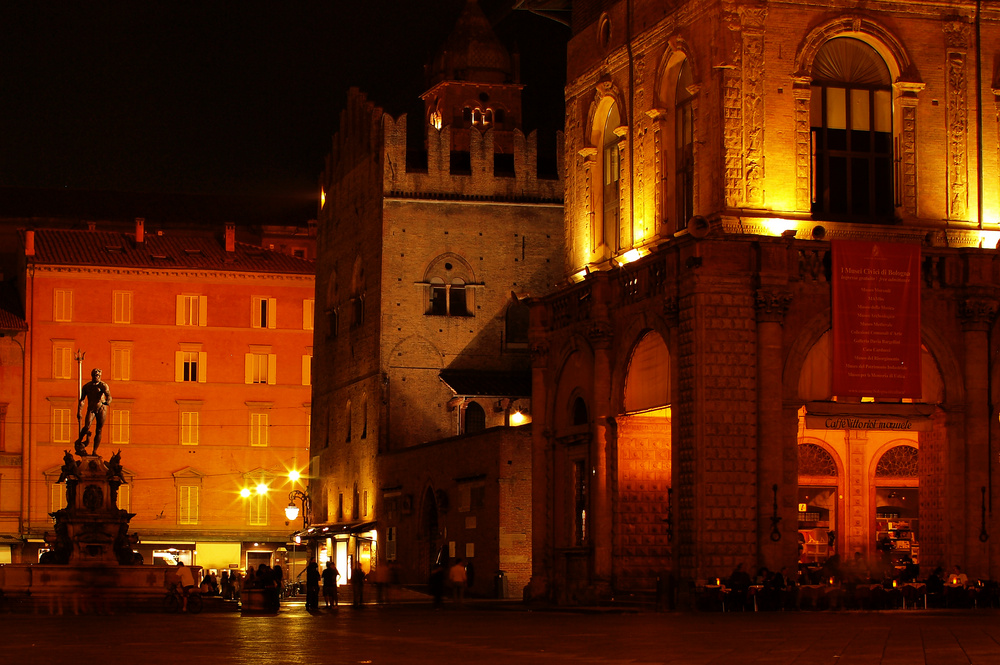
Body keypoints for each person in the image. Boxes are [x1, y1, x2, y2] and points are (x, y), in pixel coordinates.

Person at [74, 368, 112, 456]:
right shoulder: (87, 387)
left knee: (99, 429)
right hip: (91, 409)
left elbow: (108, 395)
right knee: (87, 426)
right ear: (92, 376)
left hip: (101, 408)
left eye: (98, 375)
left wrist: (108, 401)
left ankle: (94, 451)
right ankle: (79, 441)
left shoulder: (103, 385)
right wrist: (79, 412)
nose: (97, 377)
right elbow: (82, 400)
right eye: (95, 375)